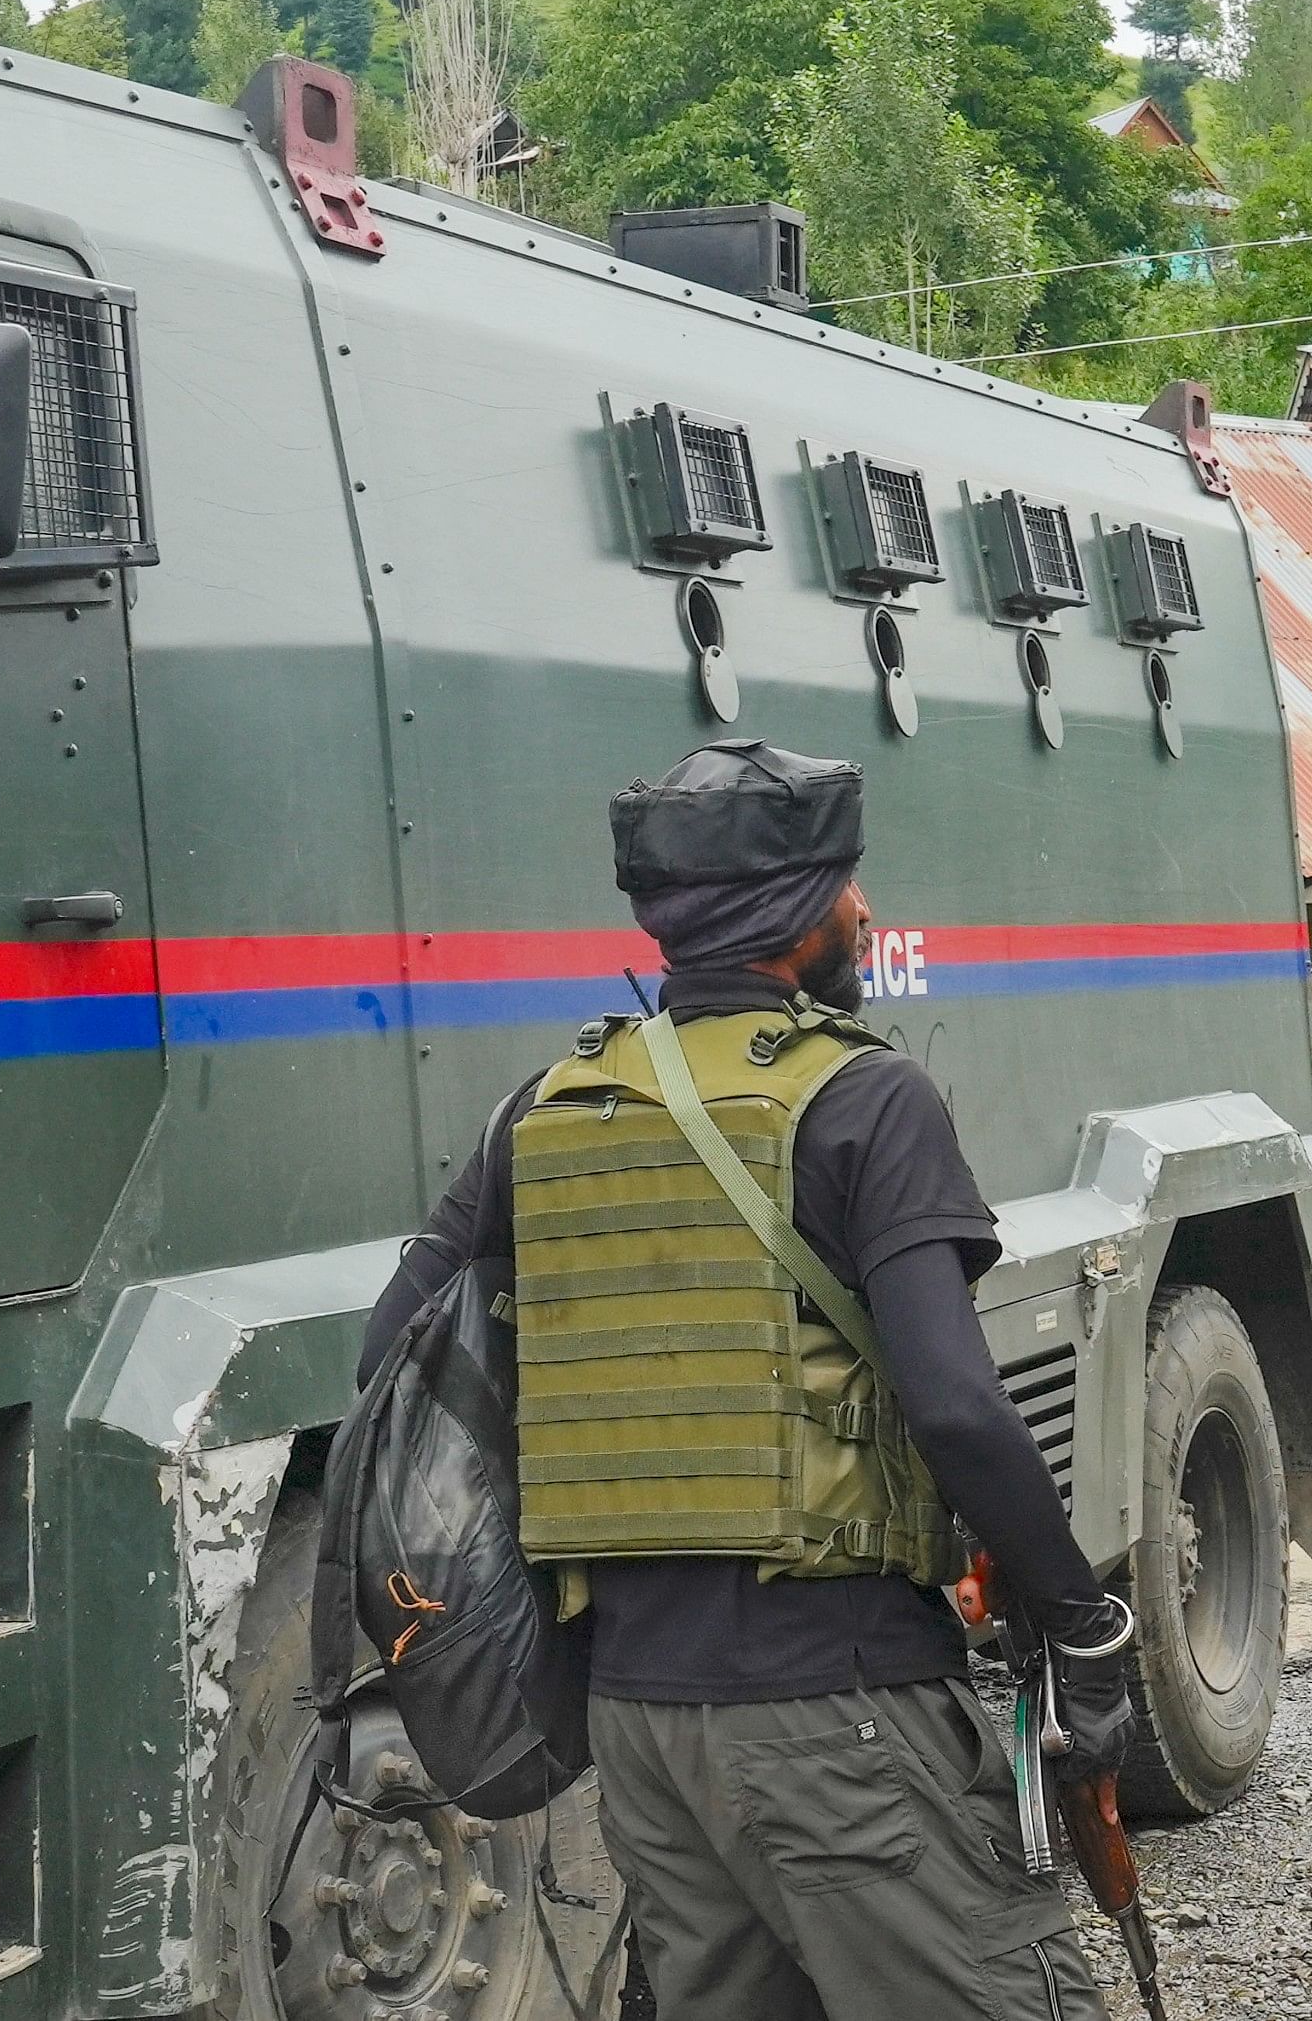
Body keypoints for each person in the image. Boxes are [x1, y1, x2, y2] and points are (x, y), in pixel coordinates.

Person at [366, 739, 1131, 2018]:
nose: (866, 911)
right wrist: (1083, 1621)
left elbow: (397, 1359)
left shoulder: (544, 1106)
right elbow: (956, 1404)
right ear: (792, 918)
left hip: (635, 1721)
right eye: (846, 884)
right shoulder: (868, 1099)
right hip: (837, 1710)